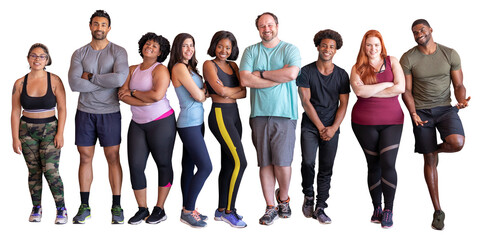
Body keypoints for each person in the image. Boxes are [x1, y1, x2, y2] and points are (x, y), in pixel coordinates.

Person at [400, 19, 470, 230]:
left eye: (422, 30)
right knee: (429, 160)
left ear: (430, 30)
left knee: (457, 143)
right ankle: (438, 211)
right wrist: (412, 113)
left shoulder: (450, 54)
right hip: (421, 111)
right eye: (415, 32)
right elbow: (407, 91)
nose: (418, 34)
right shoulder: (408, 58)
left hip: (446, 108)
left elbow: (458, 85)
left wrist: (462, 99)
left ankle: (431, 149)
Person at [239, 12, 301, 226]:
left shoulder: (289, 49)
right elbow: (245, 79)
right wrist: (278, 76)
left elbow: (292, 74)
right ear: (258, 29)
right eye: (262, 26)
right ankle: (270, 206)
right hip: (259, 114)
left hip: (285, 114)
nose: (266, 29)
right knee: (265, 163)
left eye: (270, 25)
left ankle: (283, 198)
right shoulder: (251, 51)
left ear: (277, 25)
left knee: (283, 163)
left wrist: (262, 74)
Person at [68, 10, 129, 224]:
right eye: (96, 24)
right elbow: (75, 84)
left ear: (109, 28)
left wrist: (92, 77)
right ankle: (84, 206)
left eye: (103, 24)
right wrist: (106, 80)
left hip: (110, 112)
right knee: (85, 157)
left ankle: (117, 206)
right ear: (90, 26)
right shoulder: (79, 53)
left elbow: (120, 78)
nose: (99, 28)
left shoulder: (118, 51)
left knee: (113, 157)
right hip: (85, 112)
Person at [117, 33, 175, 225]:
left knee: (163, 164)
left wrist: (133, 93)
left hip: (161, 122)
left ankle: (160, 209)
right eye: (147, 43)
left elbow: (157, 96)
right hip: (138, 125)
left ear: (160, 52)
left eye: (155, 46)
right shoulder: (132, 69)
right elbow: (121, 95)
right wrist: (143, 97)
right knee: (135, 166)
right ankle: (142, 209)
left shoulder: (161, 70)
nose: (150, 47)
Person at [350, 30, 405, 229]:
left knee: (388, 163)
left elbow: (401, 88)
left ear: (381, 45)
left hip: (393, 121)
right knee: (373, 164)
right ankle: (377, 208)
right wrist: (387, 85)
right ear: (363, 47)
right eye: (369, 45)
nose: (373, 49)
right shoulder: (357, 67)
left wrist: (371, 91)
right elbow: (359, 91)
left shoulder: (393, 61)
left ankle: (389, 209)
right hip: (363, 122)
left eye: (376, 45)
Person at [297, 29, 350, 224]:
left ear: (336, 50)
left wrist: (334, 127)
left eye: (332, 47)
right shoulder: (306, 71)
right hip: (311, 127)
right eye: (324, 45)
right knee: (308, 162)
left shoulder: (342, 75)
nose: (327, 49)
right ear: (318, 47)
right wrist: (321, 127)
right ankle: (308, 195)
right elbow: (306, 102)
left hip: (332, 127)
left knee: (326, 168)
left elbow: (344, 104)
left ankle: (321, 206)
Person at [11, 43, 68, 224]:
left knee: (51, 171)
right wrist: (14, 138)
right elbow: (14, 111)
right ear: (28, 58)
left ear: (47, 60)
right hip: (26, 131)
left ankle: (61, 208)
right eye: (34, 56)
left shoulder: (55, 80)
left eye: (42, 56)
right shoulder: (20, 82)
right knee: (34, 171)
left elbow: (63, 108)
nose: (37, 59)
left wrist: (60, 133)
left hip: (50, 129)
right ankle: (36, 207)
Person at [203, 30, 247, 228]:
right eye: (220, 46)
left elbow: (244, 92)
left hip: (235, 116)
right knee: (241, 162)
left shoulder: (234, 65)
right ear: (214, 46)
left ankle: (221, 209)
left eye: (228, 47)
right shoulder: (208, 64)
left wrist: (227, 92)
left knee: (229, 163)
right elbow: (219, 91)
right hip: (220, 115)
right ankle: (230, 211)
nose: (223, 50)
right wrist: (229, 92)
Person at [168, 33, 212, 228]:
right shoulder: (178, 67)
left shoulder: (189, 68)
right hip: (188, 124)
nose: (189, 49)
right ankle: (188, 210)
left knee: (188, 166)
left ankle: (187, 208)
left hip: (196, 122)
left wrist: (202, 93)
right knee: (206, 167)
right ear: (178, 48)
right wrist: (203, 92)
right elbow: (199, 96)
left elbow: (201, 94)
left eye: (191, 45)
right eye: (185, 45)